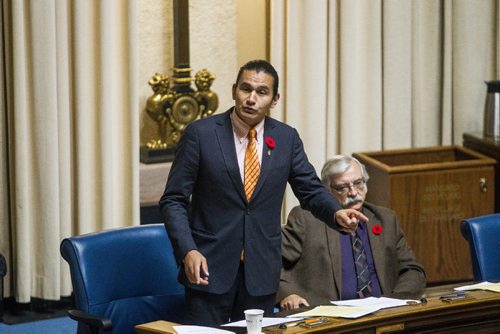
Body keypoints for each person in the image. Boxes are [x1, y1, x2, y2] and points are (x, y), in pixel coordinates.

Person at [159, 60, 367, 326]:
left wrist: (336, 212)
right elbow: (173, 200)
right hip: (208, 269)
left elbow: (311, 190)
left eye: (261, 92)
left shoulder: (286, 138)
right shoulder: (201, 134)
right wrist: (188, 250)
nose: (251, 99)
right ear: (234, 90)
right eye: (246, 89)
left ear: (275, 99)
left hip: (261, 272)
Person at [278, 155, 426, 310]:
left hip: (382, 315)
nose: (354, 192)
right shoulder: (306, 219)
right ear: (326, 191)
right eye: (343, 187)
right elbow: (270, 263)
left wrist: (392, 303)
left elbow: (413, 271)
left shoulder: (385, 219)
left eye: (358, 183)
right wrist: (288, 294)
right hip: (327, 320)